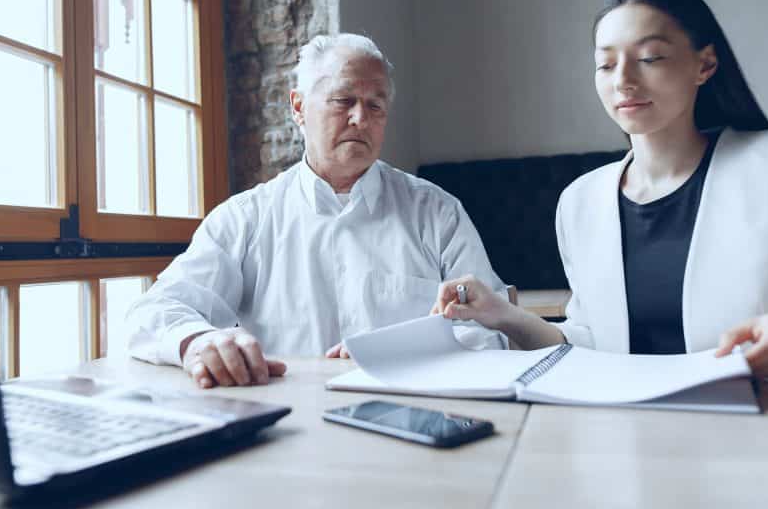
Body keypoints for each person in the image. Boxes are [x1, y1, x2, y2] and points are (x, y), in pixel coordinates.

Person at [433, 0, 768, 380]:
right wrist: (503, 315)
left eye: (650, 57)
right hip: (637, 445)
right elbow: (596, 346)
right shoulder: (581, 201)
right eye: (606, 64)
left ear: (705, 64)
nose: (624, 81)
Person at [127, 33, 505, 388]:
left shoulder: (437, 212)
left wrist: (409, 351)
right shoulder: (245, 219)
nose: (361, 118)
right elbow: (153, 312)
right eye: (344, 101)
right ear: (299, 107)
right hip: (286, 428)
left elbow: (495, 323)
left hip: (417, 414)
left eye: (376, 105)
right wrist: (197, 341)